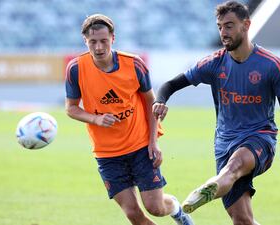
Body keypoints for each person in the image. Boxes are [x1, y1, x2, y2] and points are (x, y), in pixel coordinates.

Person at [152, 1, 280, 224]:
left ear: (246, 25)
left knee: (235, 166)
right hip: (224, 144)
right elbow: (169, 85)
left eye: (229, 26)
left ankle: (207, 190)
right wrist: (161, 101)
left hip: (260, 139)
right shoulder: (214, 63)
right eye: (219, 27)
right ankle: (218, 183)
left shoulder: (271, 65)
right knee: (242, 220)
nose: (223, 33)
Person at [64, 14, 194, 225]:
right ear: (84, 41)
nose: (98, 47)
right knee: (133, 214)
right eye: (93, 42)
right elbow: (70, 108)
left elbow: (150, 103)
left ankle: (177, 210)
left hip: (140, 147)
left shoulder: (134, 64)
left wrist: (154, 142)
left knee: (156, 208)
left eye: (103, 41)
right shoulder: (76, 68)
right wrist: (95, 119)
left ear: (112, 39)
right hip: (107, 154)